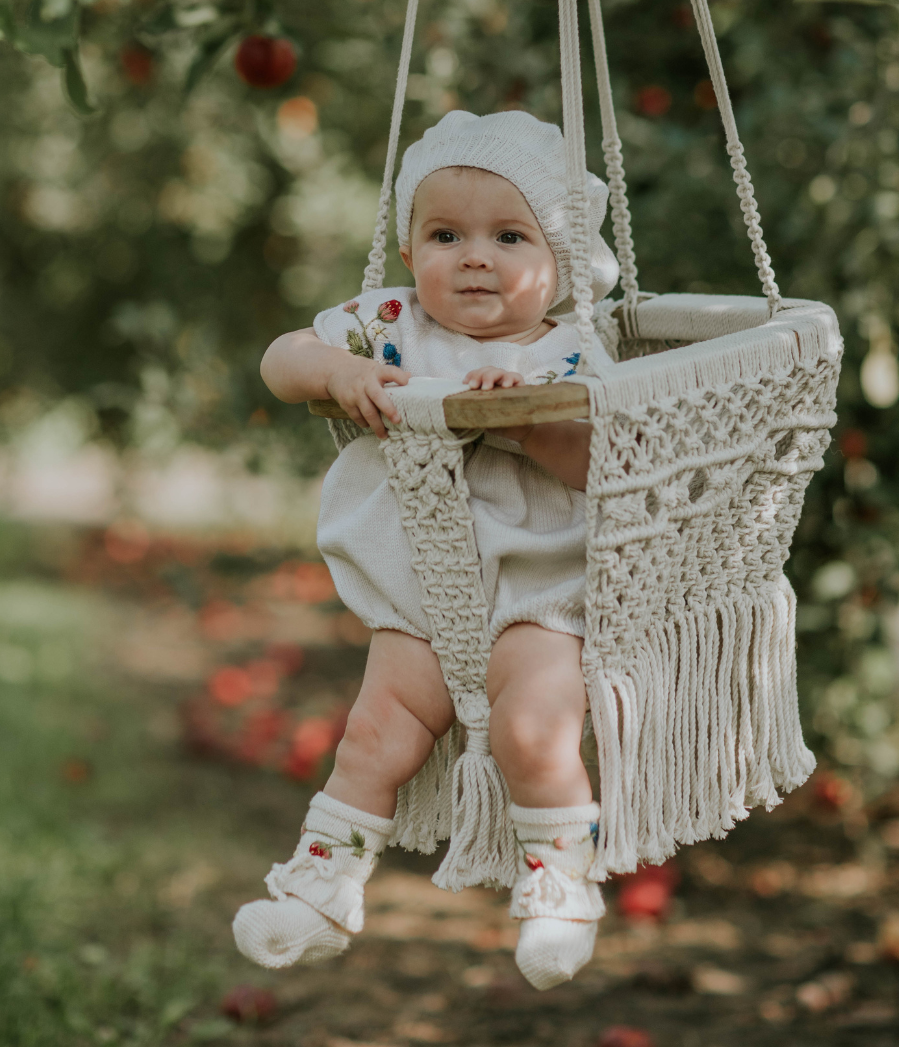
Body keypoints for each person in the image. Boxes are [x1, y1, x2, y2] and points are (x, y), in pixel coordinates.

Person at [233, 110, 619, 990]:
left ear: (558, 263)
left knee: (534, 726)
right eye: (446, 234)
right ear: (410, 252)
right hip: (417, 592)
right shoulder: (392, 325)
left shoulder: (569, 350)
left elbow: (595, 463)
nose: (474, 255)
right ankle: (322, 890)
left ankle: (560, 887)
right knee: (373, 733)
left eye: (508, 235)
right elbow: (280, 358)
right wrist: (341, 373)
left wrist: (526, 412)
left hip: (535, 589)